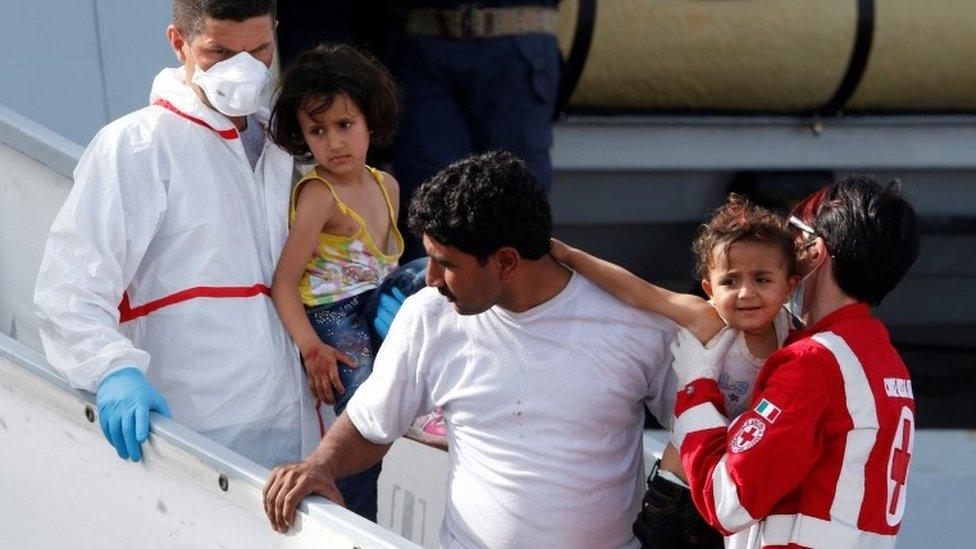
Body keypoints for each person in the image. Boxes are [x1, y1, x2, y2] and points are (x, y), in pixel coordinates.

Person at [263, 151, 678, 548]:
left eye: (446, 263)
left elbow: (699, 430)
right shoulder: (428, 315)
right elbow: (371, 423)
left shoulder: (634, 321)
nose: (429, 279)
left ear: (506, 262)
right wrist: (319, 466)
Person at [32, 0, 320, 469]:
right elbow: (70, 291)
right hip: (193, 443)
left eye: (259, 51)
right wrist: (113, 369)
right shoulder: (136, 147)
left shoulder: (292, 146)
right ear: (178, 42)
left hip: (301, 441)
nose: (243, 71)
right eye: (219, 53)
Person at [671, 177, 920, 548]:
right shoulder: (886, 361)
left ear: (816, 252)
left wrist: (695, 386)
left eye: (794, 240)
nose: (788, 254)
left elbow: (728, 501)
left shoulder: (815, 362)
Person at [550, 194, 800, 548]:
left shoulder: (791, 331)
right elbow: (640, 293)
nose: (746, 292)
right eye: (730, 281)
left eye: (762, 279)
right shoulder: (708, 319)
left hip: (734, 494)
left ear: (789, 286)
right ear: (709, 288)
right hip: (680, 495)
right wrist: (570, 256)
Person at [267, 43, 427, 521]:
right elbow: (284, 284)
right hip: (334, 318)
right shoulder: (319, 195)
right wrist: (311, 347)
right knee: (363, 418)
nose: (334, 142)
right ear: (303, 136)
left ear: (370, 122)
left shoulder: (388, 185)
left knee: (435, 273)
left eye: (345, 125)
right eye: (318, 130)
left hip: (377, 305)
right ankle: (354, 517)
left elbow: (391, 274)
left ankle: (436, 400)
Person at [392, 1, 562, 262]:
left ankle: (522, 302)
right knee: (428, 204)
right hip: (425, 40)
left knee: (517, 202)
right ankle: (433, 300)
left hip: (514, 35)